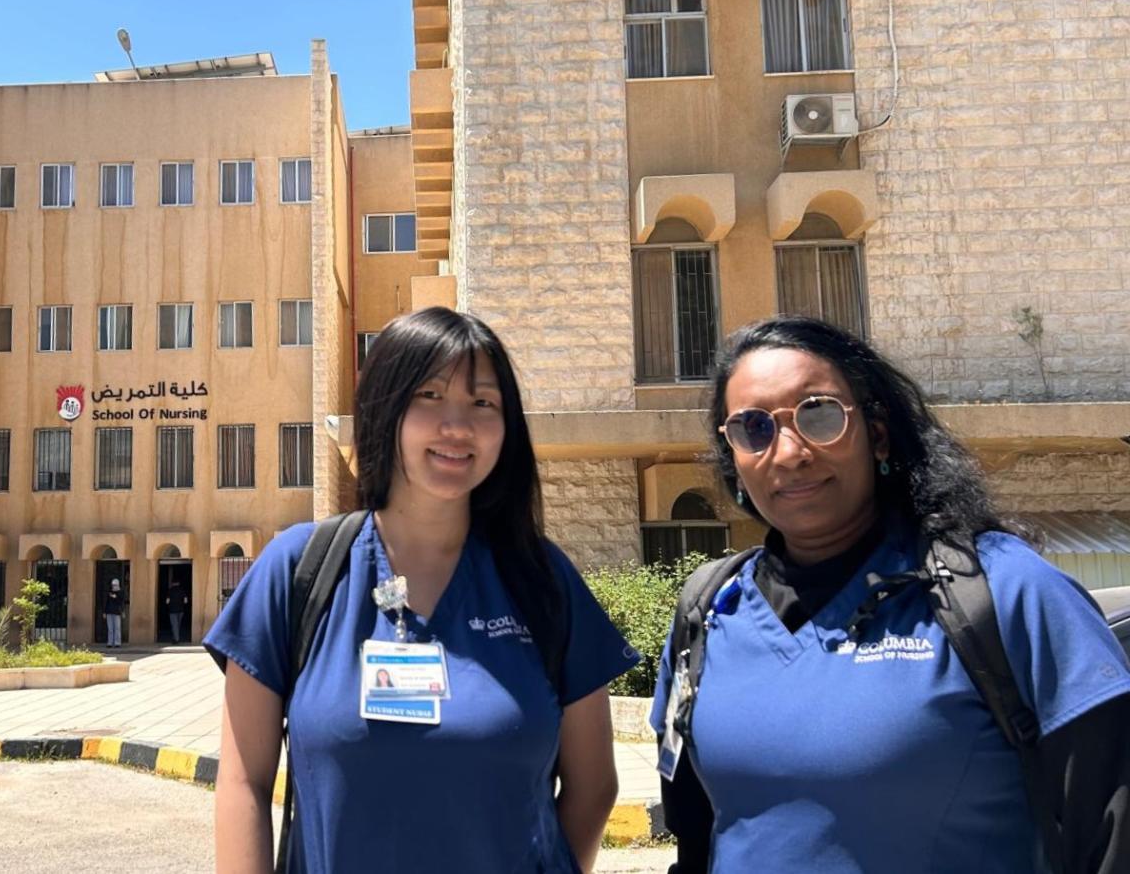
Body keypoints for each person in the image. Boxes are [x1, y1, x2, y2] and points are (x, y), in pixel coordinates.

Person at [653, 317, 1130, 874]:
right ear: (732, 456)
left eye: (819, 414)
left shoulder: (1005, 591)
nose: (788, 453)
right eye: (753, 428)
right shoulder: (710, 610)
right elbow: (696, 836)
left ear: (876, 433)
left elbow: (1113, 829)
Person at [204, 307, 638, 874]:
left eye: (483, 403)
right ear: (386, 409)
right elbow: (243, 782)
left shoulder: (541, 580)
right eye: (429, 396)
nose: (457, 426)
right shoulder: (298, 571)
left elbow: (594, 786)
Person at [103, 578, 124, 649]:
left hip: (117, 612)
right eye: (113, 585)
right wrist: (105, 612)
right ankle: (110, 642)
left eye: (115, 585)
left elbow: (121, 602)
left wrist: (116, 597)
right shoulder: (109, 592)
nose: (114, 586)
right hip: (109, 612)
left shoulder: (120, 592)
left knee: (117, 628)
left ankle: (117, 643)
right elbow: (107, 603)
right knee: (110, 628)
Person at [165, 578, 189, 643]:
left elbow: (167, 602)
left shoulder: (170, 591)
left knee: (174, 625)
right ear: (179, 583)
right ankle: (175, 637)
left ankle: (176, 639)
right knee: (178, 625)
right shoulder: (182, 591)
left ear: (172, 583)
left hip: (172, 610)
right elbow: (185, 601)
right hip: (181, 610)